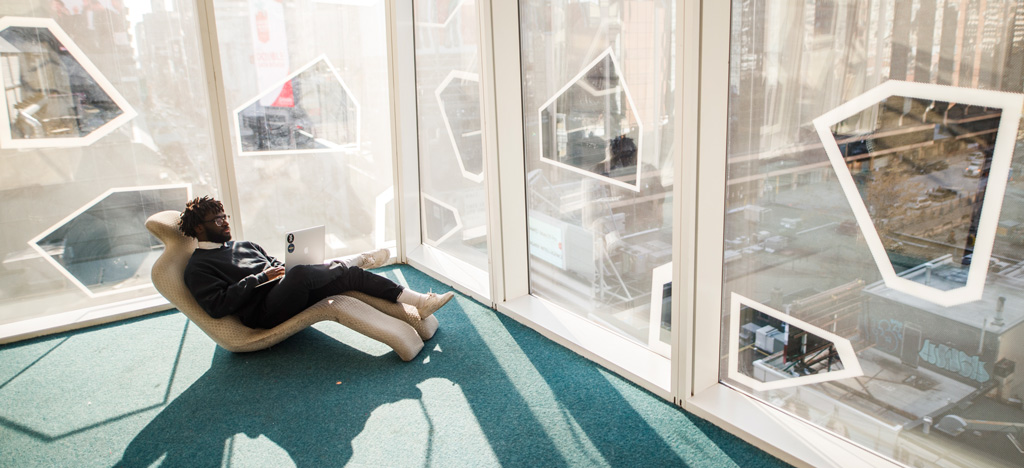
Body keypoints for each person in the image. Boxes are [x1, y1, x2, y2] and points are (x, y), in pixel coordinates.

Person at [178, 196, 453, 329]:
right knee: (302, 274)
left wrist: (284, 267)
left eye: (224, 216)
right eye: (217, 220)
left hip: (286, 291)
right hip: (263, 312)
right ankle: (346, 262)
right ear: (199, 229)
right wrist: (261, 278)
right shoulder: (198, 267)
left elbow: (275, 264)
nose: (225, 221)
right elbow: (216, 306)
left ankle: (420, 302)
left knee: (350, 277)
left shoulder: (244, 245)